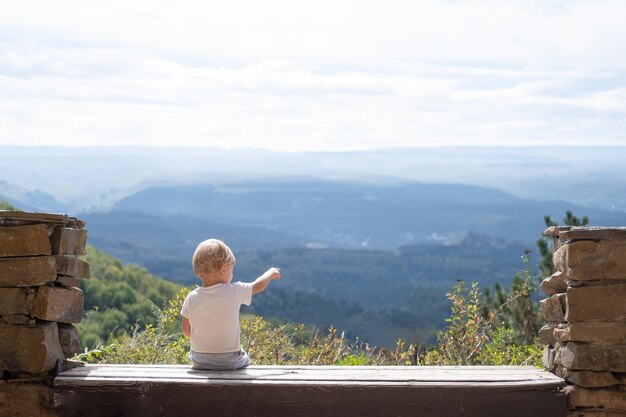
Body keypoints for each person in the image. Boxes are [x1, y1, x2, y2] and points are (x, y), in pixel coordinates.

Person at [180, 238, 281, 370]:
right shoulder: (234, 291)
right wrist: (271, 273)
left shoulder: (191, 298)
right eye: (231, 270)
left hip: (200, 361)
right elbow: (258, 286)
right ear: (223, 270)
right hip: (230, 361)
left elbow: (187, 332)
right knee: (244, 356)